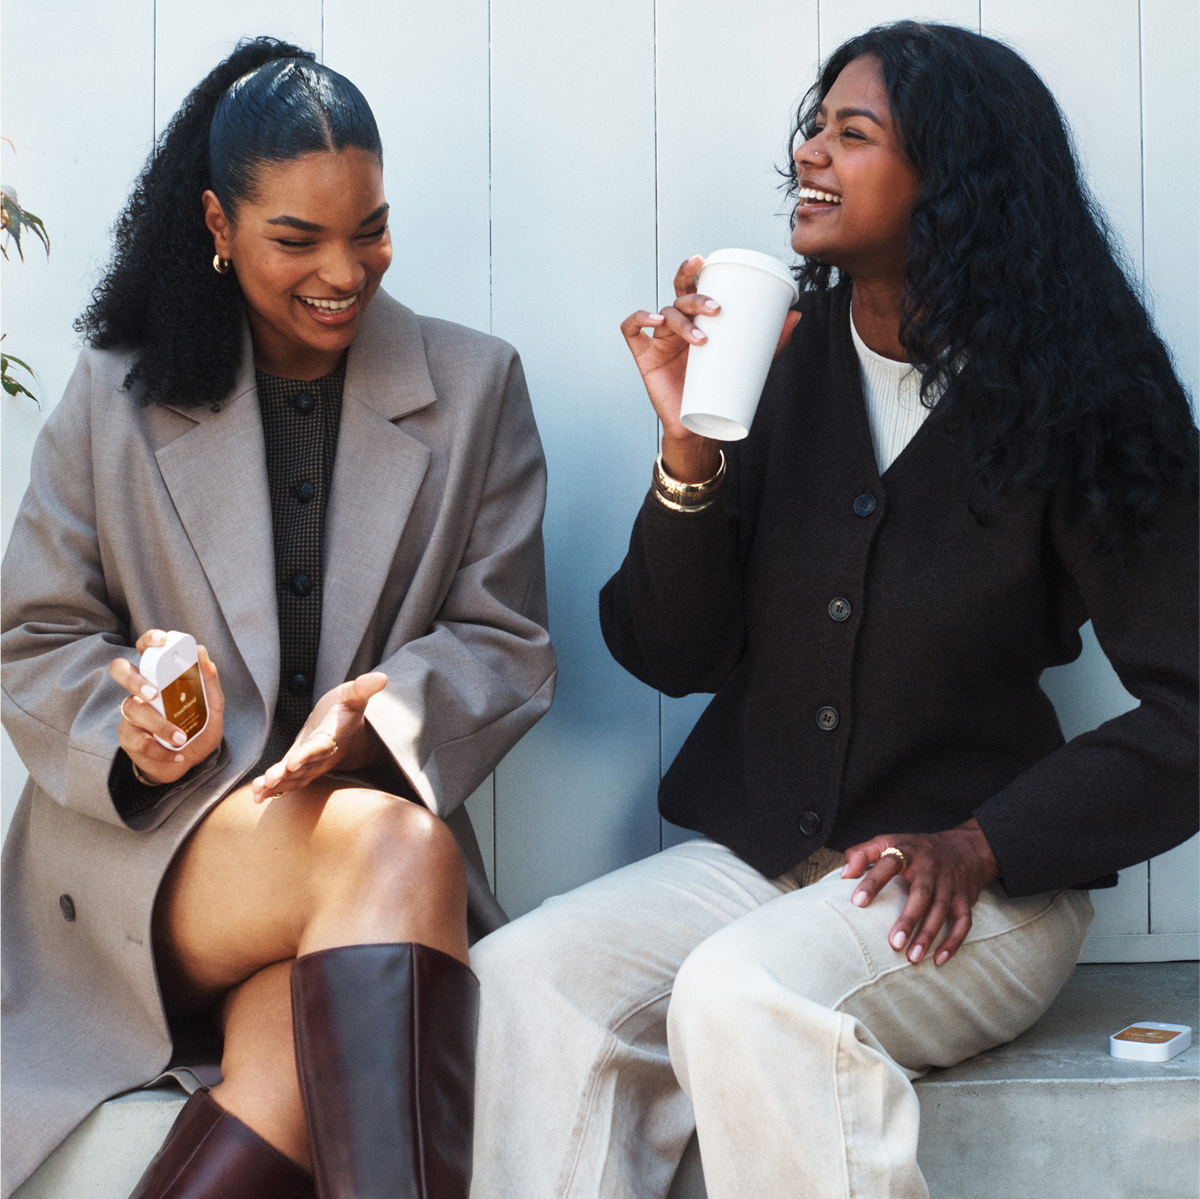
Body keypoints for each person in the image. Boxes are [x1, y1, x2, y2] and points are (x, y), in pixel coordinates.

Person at [468, 21, 1200, 1199]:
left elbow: (1192, 708)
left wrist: (984, 842)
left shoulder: (1086, 393)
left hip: (975, 890)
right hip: (767, 858)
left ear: (955, 180)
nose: (811, 151)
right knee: (526, 976)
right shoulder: (775, 363)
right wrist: (692, 445)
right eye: (815, 125)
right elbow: (671, 653)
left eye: (852, 133)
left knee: (742, 994)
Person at [0, 37, 555, 1199]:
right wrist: (134, 724)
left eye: (371, 230)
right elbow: (35, 637)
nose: (345, 271)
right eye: (297, 240)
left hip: (347, 887)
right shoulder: (114, 392)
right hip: (148, 866)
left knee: (290, 1074)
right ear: (217, 222)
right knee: (401, 843)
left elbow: (504, 639)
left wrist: (383, 715)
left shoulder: (477, 385)